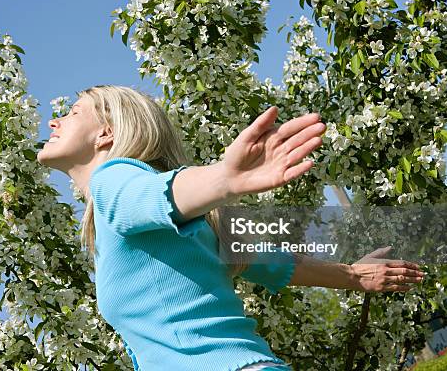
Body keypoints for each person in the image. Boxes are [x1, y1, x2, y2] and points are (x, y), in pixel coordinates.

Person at [37, 85, 425, 371]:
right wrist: (355, 275)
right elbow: (278, 265)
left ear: (106, 133)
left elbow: (157, 193)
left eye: (72, 112)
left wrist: (224, 179)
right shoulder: (188, 225)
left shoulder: (113, 181)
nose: (54, 120)